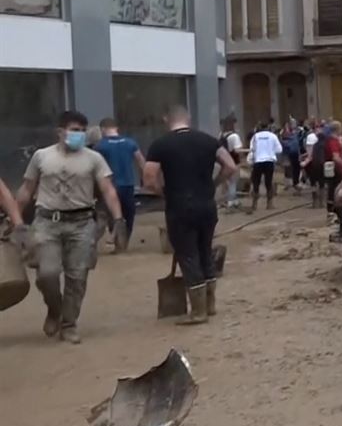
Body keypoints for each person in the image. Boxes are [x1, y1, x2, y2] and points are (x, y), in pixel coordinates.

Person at [15, 110, 126, 344]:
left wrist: (118, 220)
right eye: (75, 130)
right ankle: (54, 309)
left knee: (77, 277)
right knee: (47, 274)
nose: (80, 135)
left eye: (83, 131)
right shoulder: (41, 157)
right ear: (60, 132)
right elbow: (27, 189)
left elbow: (107, 190)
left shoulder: (93, 159)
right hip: (47, 223)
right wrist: (15, 221)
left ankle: (69, 323)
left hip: (81, 224)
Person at [144, 105, 238, 325]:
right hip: (206, 205)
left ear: (166, 118)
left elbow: (149, 178)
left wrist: (164, 192)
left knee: (188, 254)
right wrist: (213, 184)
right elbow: (231, 167)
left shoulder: (160, 144)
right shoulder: (208, 141)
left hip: (179, 207)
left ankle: (198, 311)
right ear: (188, 118)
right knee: (205, 251)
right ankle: (210, 304)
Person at [93, 118, 145, 250]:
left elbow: (93, 166)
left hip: (110, 186)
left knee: (109, 214)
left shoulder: (100, 146)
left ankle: (113, 241)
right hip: (128, 185)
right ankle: (123, 244)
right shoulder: (130, 143)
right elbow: (141, 162)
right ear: (116, 128)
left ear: (103, 129)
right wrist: (144, 180)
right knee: (128, 215)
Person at [248, 122, 282, 211]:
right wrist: (271, 151)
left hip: (258, 161)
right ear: (268, 127)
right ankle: (269, 204)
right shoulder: (273, 136)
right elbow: (279, 149)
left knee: (256, 183)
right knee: (269, 182)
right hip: (269, 161)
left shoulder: (255, 137)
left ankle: (254, 204)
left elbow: (252, 149)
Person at [323, 121, 342, 213]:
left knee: (333, 188)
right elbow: (335, 157)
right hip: (336, 169)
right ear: (338, 129)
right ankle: (333, 210)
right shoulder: (333, 141)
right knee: (334, 189)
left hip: (334, 168)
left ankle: (333, 210)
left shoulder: (334, 140)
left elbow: (340, 146)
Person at [281, 120, 303, 192]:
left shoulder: (296, 132)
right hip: (288, 153)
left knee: (296, 168)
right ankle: (289, 183)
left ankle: (295, 182)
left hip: (295, 152)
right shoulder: (285, 133)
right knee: (289, 168)